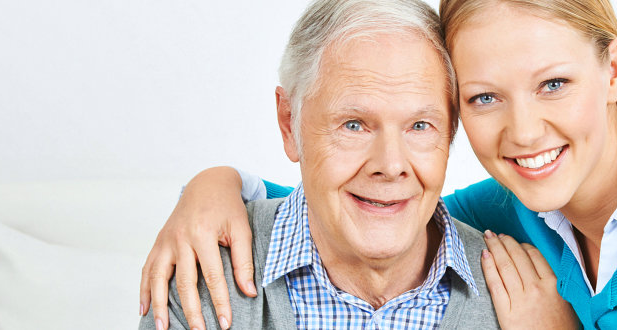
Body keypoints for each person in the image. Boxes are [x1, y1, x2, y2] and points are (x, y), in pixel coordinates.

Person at [141, 0, 617, 328]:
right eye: (487, 97)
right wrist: (216, 188)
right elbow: (368, 202)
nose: (524, 131)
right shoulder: (519, 206)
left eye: (553, 83)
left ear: (613, 67)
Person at [137, 0, 527, 328]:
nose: (391, 166)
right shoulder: (202, 270)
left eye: (420, 125)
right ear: (290, 123)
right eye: (354, 125)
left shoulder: (521, 298)